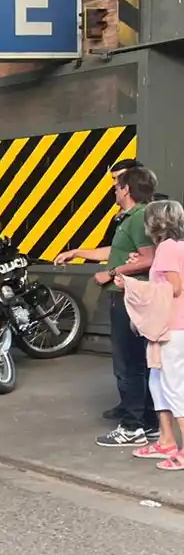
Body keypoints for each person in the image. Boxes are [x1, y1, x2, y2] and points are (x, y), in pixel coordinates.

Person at [57, 165, 160, 446]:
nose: (114, 189)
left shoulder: (139, 217)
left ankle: (132, 426)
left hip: (130, 297)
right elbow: (117, 252)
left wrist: (112, 274)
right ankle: (148, 421)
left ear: (126, 189)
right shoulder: (129, 218)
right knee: (135, 361)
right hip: (125, 295)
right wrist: (77, 252)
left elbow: (148, 257)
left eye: (117, 185)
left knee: (130, 363)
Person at [117, 200, 184, 468]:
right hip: (168, 327)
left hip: (172, 328)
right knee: (157, 383)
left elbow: (174, 288)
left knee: (174, 387)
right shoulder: (173, 248)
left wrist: (131, 285)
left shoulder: (168, 248)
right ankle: (166, 441)